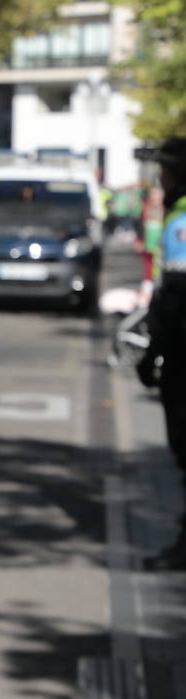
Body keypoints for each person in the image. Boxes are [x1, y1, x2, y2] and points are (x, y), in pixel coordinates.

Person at [141, 138, 186, 571]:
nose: (160, 179)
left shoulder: (181, 220)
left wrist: (152, 350)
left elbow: (176, 293)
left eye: (166, 171)